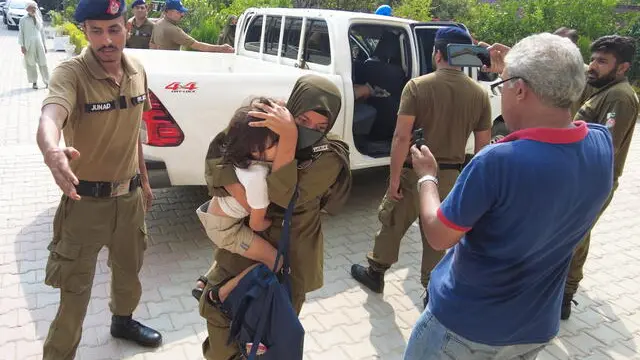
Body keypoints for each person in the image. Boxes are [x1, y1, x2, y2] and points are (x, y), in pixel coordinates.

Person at [402, 33, 614, 360]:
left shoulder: (497, 162)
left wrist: (427, 177)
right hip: (534, 328)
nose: (501, 92)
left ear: (520, 89)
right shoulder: (601, 145)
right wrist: (524, 64)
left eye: (502, 84)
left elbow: (438, 235)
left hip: (466, 328)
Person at [36, 0, 162, 358]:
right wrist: (51, 149)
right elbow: (51, 115)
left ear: (127, 27)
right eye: (96, 30)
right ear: (85, 32)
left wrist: (145, 180)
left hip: (130, 198)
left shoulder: (137, 69)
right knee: (74, 290)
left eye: (114, 29)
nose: (106, 40)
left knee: (129, 271)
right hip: (85, 204)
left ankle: (123, 321)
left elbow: (135, 129)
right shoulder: (71, 74)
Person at [198, 74, 352, 360]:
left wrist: (290, 137)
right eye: (302, 120)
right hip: (242, 251)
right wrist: (243, 194)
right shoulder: (266, 122)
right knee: (220, 328)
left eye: (321, 126)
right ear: (290, 109)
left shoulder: (329, 155)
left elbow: (283, 196)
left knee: (266, 336)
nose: (311, 130)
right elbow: (217, 158)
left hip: (289, 257)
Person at [350, 27, 492, 308]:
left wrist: (393, 180)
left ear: (437, 53)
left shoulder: (417, 86)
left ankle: (376, 273)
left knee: (392, 221)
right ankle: (431, 289)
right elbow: (482, 149)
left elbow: (401, 136)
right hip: (451, 175)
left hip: (413, 168)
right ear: (464, 57)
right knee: (437, 233)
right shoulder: (479, 94)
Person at [562, 35, 639, 320]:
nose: (593, 65)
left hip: (590, 181)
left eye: (602, 61)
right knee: (572, 234)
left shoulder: (619, 97)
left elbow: (602, 147)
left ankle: (564, 296)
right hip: (579, 177)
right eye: (593, 58)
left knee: (574, 236)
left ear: (622, 68)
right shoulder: (600, 85)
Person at [191, 100, 284, 300]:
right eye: (276, 142)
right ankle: (219, 295)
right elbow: (257, 224)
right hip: (225, 229)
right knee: (275, 261)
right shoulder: (258, 177)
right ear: (258, 151)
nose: (281, 145)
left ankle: (206, 280)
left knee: (247, 250)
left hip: (217, 215)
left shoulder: (242, 153)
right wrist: (276, 222)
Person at [150, 0, 234, 52]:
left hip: (160, 64)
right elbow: (198, 45)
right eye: (179, 12)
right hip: (170, 66)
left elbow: (152, 45)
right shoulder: (173, 30)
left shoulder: (158, 24)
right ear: (168, 12)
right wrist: (221, 48)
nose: (182, 14)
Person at [18, 1, 49, 89]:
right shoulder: (23, 19)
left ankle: (47, 81)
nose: (33, 9)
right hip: (28, 44)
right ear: (27, 9)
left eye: (34, 8)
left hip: (39, 43)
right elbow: (21, 33)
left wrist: (45, 45)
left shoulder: (38, 18)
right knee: (31, 63)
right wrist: (22, 46)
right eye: (31, 8)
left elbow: (41, 32)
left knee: (43, 62)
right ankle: (34, 82)